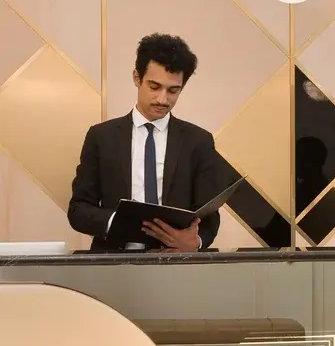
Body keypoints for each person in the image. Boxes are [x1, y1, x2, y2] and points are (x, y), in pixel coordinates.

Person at [68, 34, 223, 252]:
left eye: (173, 90)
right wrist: (119, 222)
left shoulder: (199, 141)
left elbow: (209, 215)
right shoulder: (101, 137)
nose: (162, 99)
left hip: (177, 267)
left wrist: (195, 243)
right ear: (136, 78)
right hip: (112, 265)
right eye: (154, 86)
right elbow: (78, 209)